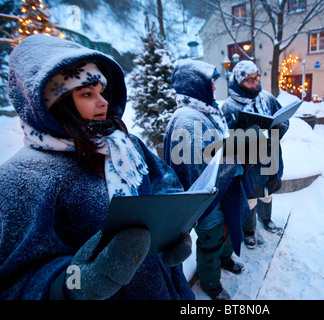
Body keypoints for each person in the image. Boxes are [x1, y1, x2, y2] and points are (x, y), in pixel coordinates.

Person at [0, 35, 194, 300]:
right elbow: (15, 281)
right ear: (54, 105)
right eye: (87, 94)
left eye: (101, 91)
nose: (103, 102)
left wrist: (174, 228)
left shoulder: (126, 145)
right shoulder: (22, 178)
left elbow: (165, 183)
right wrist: (77, 285)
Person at [164, 59, 250, 300]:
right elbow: (196, 172)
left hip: (221, 192)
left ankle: (225, 258)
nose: (214, 88)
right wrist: (235, 157)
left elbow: (215, 148)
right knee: (210, 240)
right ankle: (211, 283)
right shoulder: (187, 120)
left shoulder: (204, 110)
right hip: (208, 201)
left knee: (224, 233)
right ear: (195, 85)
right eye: (210, 83)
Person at [221, 60, 289, 249]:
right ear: (238, 81)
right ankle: (249, 230)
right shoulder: (228, 107)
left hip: (270, 157)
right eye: (249, 80)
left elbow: (284, 118)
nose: (255, 83)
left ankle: (266, 218)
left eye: (256, 78)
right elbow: (226, 139)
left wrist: (277, 132)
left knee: (268, 192)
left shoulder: (266, 98)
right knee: (250, 198)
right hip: (248, 163)